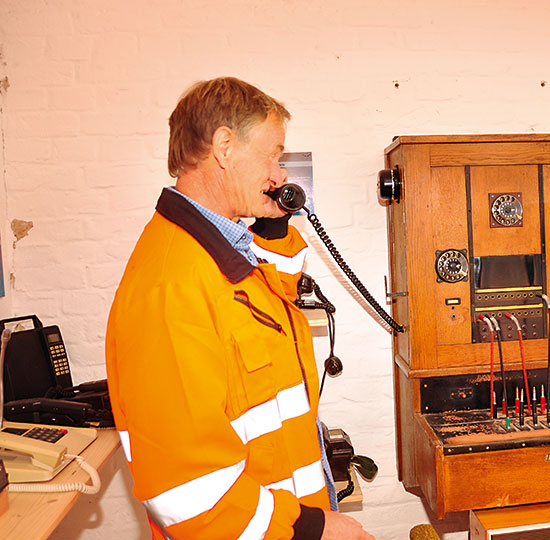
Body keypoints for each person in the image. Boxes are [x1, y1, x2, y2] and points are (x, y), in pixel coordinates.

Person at [106, 77, 374, 540]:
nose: (281, 173)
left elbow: (266, 309)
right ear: (225, 147)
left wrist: (272, 229)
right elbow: (189, 492)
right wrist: (310, 529)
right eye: (273, 155)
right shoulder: (170, 287)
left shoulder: (215, 250)